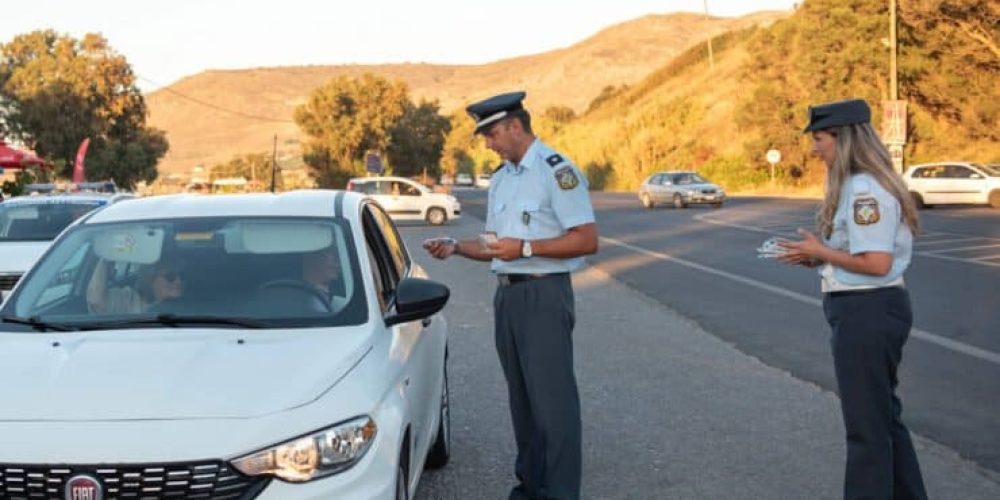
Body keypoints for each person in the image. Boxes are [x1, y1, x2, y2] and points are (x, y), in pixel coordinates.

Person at [424, 91, 598, 500]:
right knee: (523, 404)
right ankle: (530, 487)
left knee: (553, 407)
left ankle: (559, 492)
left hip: (543, 295)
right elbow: (494, 246)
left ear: (514, 127)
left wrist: (526, 249)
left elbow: (586, 239)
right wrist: (455, 244)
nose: (487, 144)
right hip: (508, 298)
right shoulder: (502, 179)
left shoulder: (556, 171)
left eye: (491, 134)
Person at [777, 98, 927, 500]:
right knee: (883, 420)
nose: (814, 148)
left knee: (867, 430)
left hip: (867, 310)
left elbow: (877, 263)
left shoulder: (864, 189)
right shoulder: (858, 184)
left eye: (820, 138)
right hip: (867, 307)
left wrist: (821, 252)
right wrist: (819, 258)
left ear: (843, 139)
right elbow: (860, 257)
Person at [87, 258, 185, 314]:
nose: (179, 281)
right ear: (150, 279)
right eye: (170, 277)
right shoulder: (127, 300)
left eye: (182, 276)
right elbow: (96, 300)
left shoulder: (196, 307)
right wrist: (106, 256)